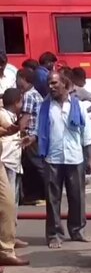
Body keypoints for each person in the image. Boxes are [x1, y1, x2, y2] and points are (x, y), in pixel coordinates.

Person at [36, 71, 91, 249]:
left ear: (64, 84)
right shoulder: (45, 107)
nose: (51, 87)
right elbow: (39, 131)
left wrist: (90, 158)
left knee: (77, 196)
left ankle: (77, 230)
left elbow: (87, 135)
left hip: (74, 157)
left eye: (54, 83)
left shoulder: (78, 106)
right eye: (49, 83)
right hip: (52, 158)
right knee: (53, 199)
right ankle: (54, 234)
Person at [0, 88, 28, 248]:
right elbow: (8, 129)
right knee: (7, 203)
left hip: (13, 162)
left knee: (13, 203)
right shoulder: (4, 115)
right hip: (6, 161)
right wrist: (16, 128)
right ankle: (6, 239)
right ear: (17, 102)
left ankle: (10, 236)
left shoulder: (11, 116)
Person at [17, 69, 46, 205]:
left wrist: (16, 131)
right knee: (31, 165)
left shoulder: (29, 95)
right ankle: (34, 195)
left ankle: (45, 193)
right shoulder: (36, 94)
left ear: (23, 79)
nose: (17, 82)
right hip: (37, 134)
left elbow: (26, 117)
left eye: (18, 79)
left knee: (35, 165)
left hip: (30, 136)